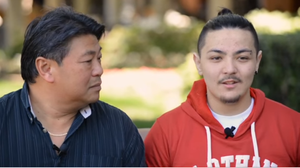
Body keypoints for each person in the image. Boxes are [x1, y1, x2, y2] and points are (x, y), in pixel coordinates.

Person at [144, 8, 300, 167]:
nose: (230, 68)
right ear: (198, 63)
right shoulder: (167, 131)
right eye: (216, 58)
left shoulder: (293, 127)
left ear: (257, 61)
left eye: (242, 58)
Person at [0, 6, 146, 167]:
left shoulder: (118, 127)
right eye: (88, 61)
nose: (99, 70)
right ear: (46, 68)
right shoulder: (4, 120)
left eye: (99, 58)